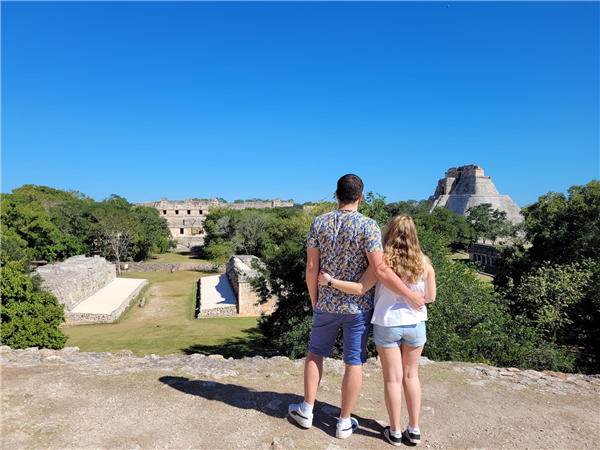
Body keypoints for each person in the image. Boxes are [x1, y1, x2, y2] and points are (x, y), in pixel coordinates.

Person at [288, 175, 425, 440]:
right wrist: (410, 294)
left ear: (336, 195)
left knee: (315, 354)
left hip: (326, 302)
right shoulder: (369, 226)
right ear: (361, 196)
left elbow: (312, 267)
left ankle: (307, 409)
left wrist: (315, 299)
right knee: (353, 362)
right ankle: (344, 421)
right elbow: (379, 269)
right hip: (358, 307)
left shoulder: (320, 222)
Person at [318, 215, 436, 446]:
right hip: (415, 325)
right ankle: (414, 429)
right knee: (411, 376)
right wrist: (413, 297)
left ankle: (395, 431)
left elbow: (360, 288)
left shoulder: (383, 263)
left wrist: (330, 282)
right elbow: (430, 297)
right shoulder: (425, 263)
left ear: (389, 234)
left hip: (387, 323)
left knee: (392, 380)